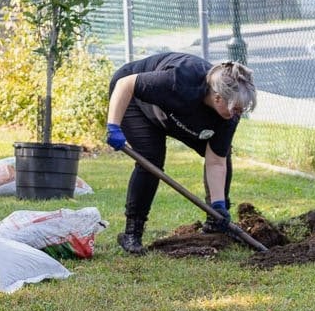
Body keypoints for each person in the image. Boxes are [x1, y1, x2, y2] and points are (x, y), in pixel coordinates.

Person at [105, 52, 257, 254]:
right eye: (236, 108)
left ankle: (216, 220)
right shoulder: (181, 79)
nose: (238, 114)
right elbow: (125, 84)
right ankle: (132, 233)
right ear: (218, 97)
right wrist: (113, 126)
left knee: (222, 151)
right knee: (151, 160)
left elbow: (216, 161)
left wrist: (218, 204)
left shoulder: (227, 117)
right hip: (135, 101)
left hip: (175, 114)